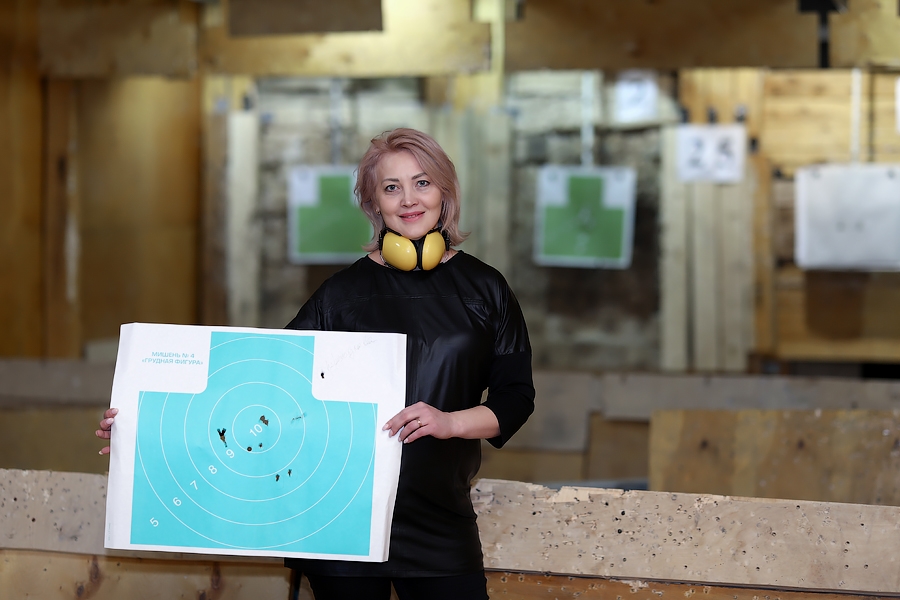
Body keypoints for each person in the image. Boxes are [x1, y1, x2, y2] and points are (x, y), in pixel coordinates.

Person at [97, 127, 535, 600]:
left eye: (422, 183)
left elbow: (516, 397)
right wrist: (143, 433)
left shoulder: (486, 289)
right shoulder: (339, 296)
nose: (409, 199)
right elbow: (262, 391)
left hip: (441, 522)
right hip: (337, 520)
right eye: (391, 187)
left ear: (445, 192)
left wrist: (449, 422)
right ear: (374, 204)